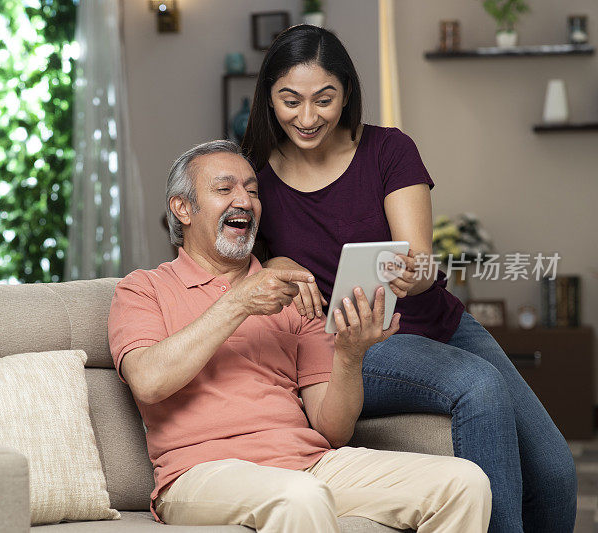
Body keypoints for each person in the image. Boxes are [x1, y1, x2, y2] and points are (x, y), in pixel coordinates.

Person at [239, 24, 576, 533]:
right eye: (290, 100)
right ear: (268, 97)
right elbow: (238, 265)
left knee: (555, 471)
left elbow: (418, 256)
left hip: (438, 323)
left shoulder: (389, 150)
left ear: (346, 93)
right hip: (352, 343)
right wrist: (277, 265)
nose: (307, 118)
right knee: (476, 385)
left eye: (324, 99)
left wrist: (417, 272)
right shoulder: (255, 178)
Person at [108, 140, 491, 533]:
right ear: (182, 208)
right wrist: (239, 302)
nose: (244, 200)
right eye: (225, 190)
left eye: (252, 191)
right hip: (200, 472)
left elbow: (333, 430)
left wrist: (349, 353)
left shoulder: (293, 294)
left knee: (464, 483)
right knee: (300, 496)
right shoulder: (143, 289)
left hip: (308, 464)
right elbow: (149, 381)